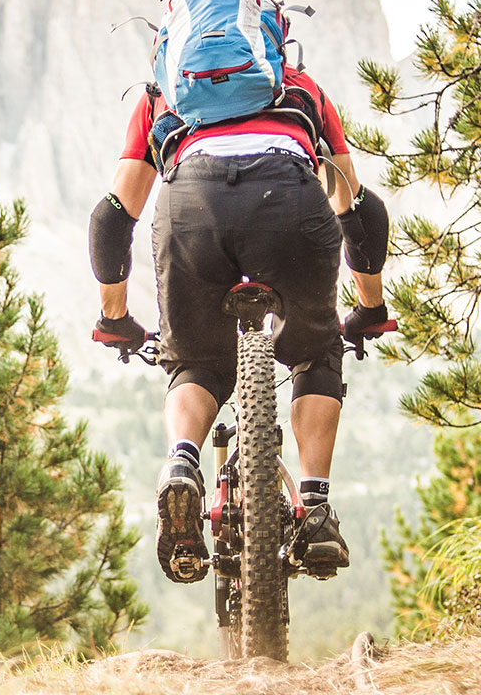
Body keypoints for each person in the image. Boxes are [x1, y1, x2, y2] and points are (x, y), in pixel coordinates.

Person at [86, 66, 390, 584]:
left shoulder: (163, 93)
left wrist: (114, 317)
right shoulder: (301, 87)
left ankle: (183, 461)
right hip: (289, 201)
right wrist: (370, 309)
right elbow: (357, 208)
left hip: (190, 208)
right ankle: (315, 509)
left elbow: (112, 216)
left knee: (197, 362)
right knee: (315, 350)